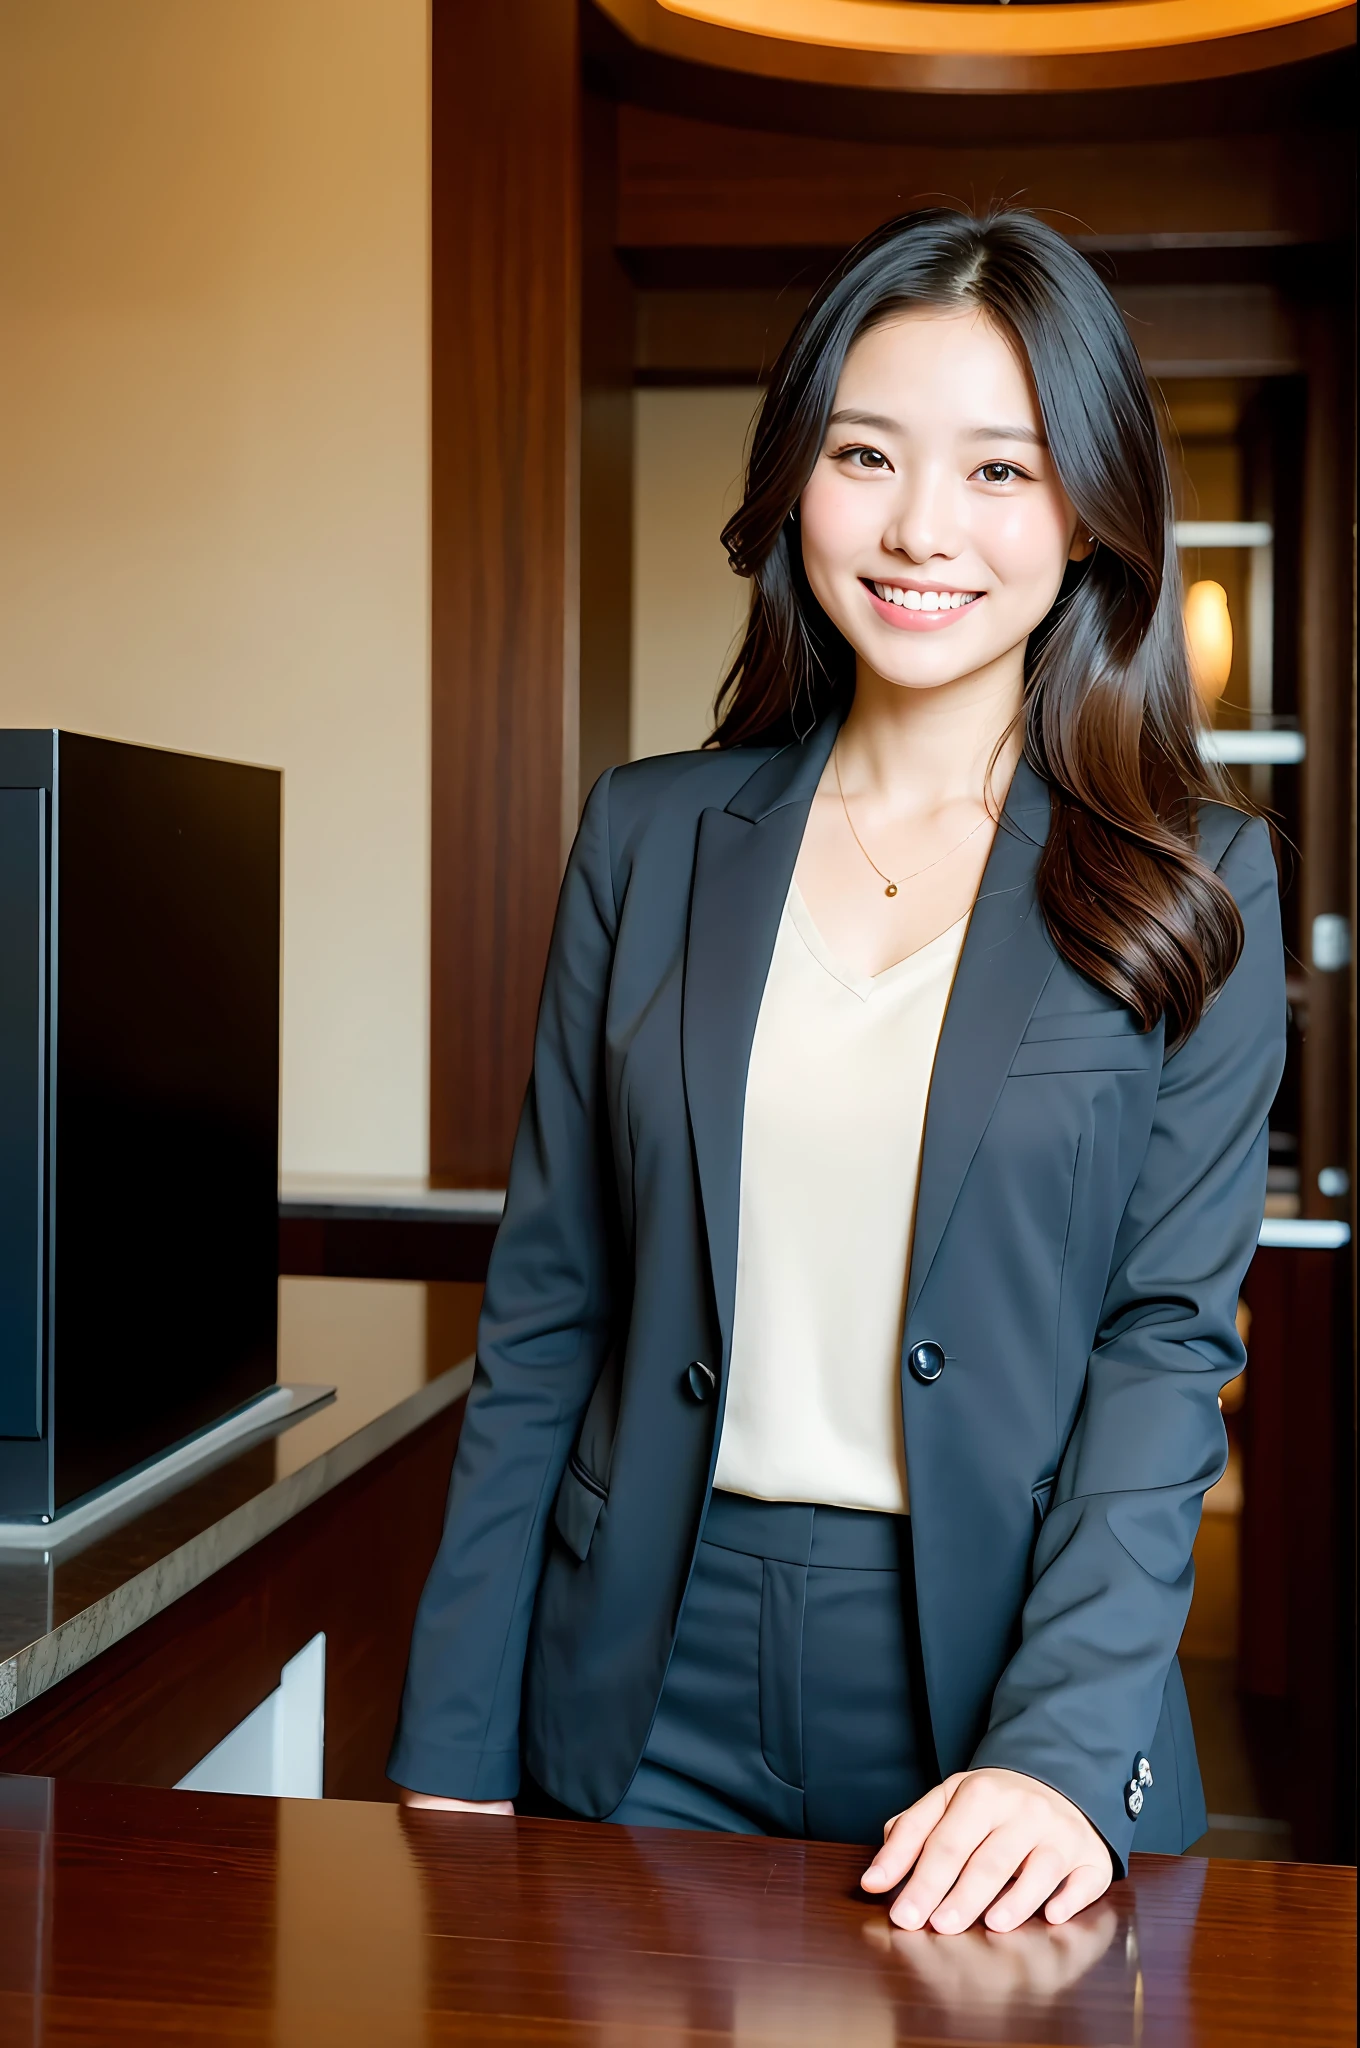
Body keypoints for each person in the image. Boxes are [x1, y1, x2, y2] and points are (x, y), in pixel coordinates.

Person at [388, 208, 1285, 1935]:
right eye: (864, 452)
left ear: (1090, 511)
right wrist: (449, 1739)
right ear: (797, 475)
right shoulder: (649, 838)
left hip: (1004, 1692)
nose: (918, 526)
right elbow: (547, 1315)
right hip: (639, 1667)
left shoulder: (1197, 880)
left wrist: (1063, 1748)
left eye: (999, 470)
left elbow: (1165, 1348)